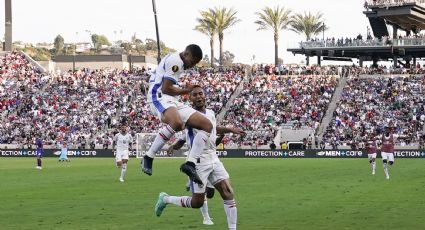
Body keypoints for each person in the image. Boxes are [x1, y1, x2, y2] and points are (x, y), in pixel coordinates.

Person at [155, 86, 245, 230]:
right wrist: (174, 145)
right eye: (194, 95)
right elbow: (181, 133)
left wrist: (230, 130)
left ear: (205, 96)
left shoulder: (210, 113)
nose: (198, 97)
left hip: (213, 156)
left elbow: (214, 129)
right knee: (197, 202)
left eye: (201, 94)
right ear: (189, 99)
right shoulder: (188, 115)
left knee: (227, 191)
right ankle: (165, 199)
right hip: (198, 160)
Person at [142, 44, 212, 185]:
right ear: (186, 54)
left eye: (195, 63)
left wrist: (182, 90)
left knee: (207, 125)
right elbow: (166, 89)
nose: (192, 65)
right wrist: (186, 90)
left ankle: (190, 164)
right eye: (192, 61)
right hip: (158, 97)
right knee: (177, 122)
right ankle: (148, 156)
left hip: (172, 100)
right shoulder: (176, 62)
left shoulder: (176, 59)